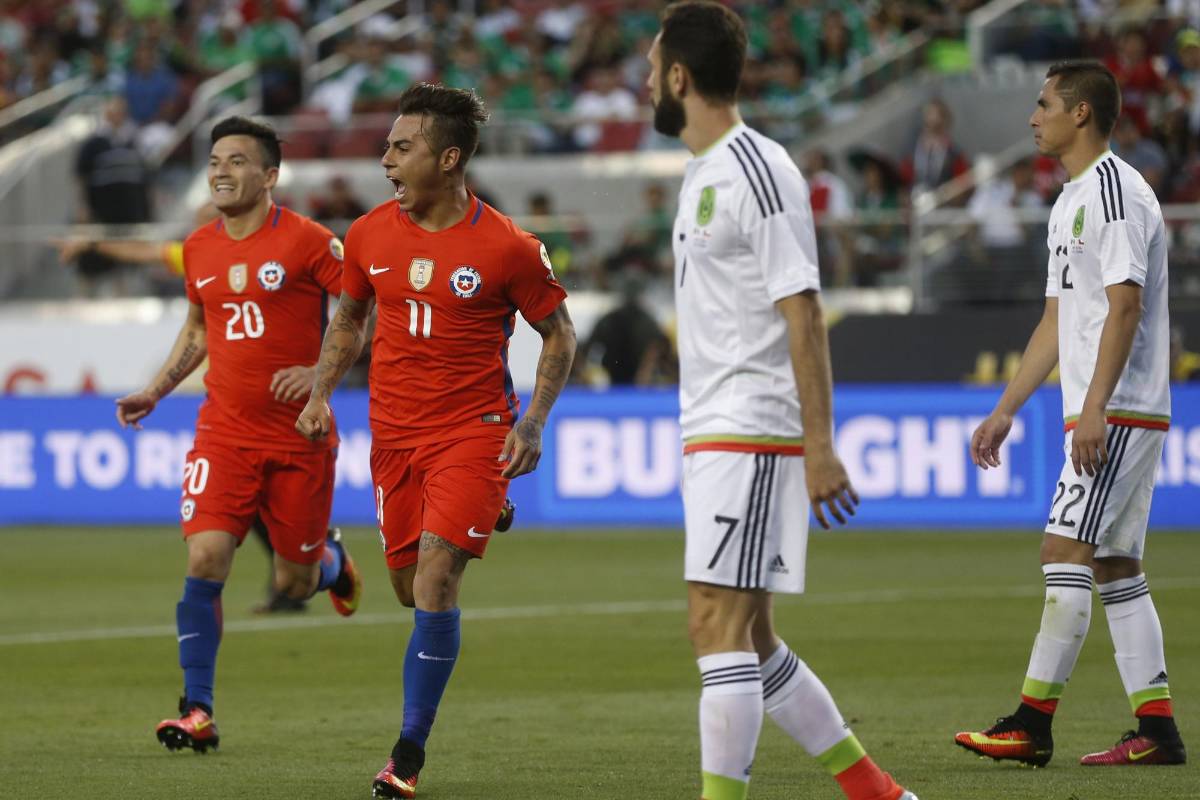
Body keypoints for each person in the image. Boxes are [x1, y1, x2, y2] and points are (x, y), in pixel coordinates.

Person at [645, 5, 917, 800]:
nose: (645, 85)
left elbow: (804, 311)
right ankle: (877, 793)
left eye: (653, 69)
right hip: (715, 428)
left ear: (679, 78)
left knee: (713, 626)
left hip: (754, 426)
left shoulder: (758, 170)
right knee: (752, 640)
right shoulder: (707, 171)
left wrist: (819, 443)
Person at [295, 83, 576, 799]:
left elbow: (559, 334)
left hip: (473, 430)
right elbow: (350, 318)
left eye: (401, 147)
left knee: (436, 580)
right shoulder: (366, 235)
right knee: (405, 590)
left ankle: (406, 757)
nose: (384, 159)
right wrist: (323, 390)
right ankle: (484, 507)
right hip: (394, 436)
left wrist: (533, 420)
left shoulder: (508, 246)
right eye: (387, 146)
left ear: (448, 159)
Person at [956, 60, 1186, 768]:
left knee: (1064, 552)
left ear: (1080, 113)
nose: (1033, 116)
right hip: (1107, 410)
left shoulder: (1116, 194)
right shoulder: (1069, 201)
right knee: (1116, 565)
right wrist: (1004, 411)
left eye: (1044, 103)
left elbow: (1125, 307)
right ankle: (1158, 732)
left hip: (1114, 411)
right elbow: (1058, 323)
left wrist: (1094, 410)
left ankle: (1031, 723)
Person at [115, 117, 364, 753]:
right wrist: (156, 388)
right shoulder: (199, 247)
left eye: (237, 160)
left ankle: (331, 564)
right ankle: (197, 709)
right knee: (205, 557)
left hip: (300, 438)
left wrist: (319, 373)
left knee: (293, 583)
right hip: (223, 432)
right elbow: (199, 328)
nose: (222, 171)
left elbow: (366, 309)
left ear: (270, 176)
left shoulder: (309, 242)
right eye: (215, 160)